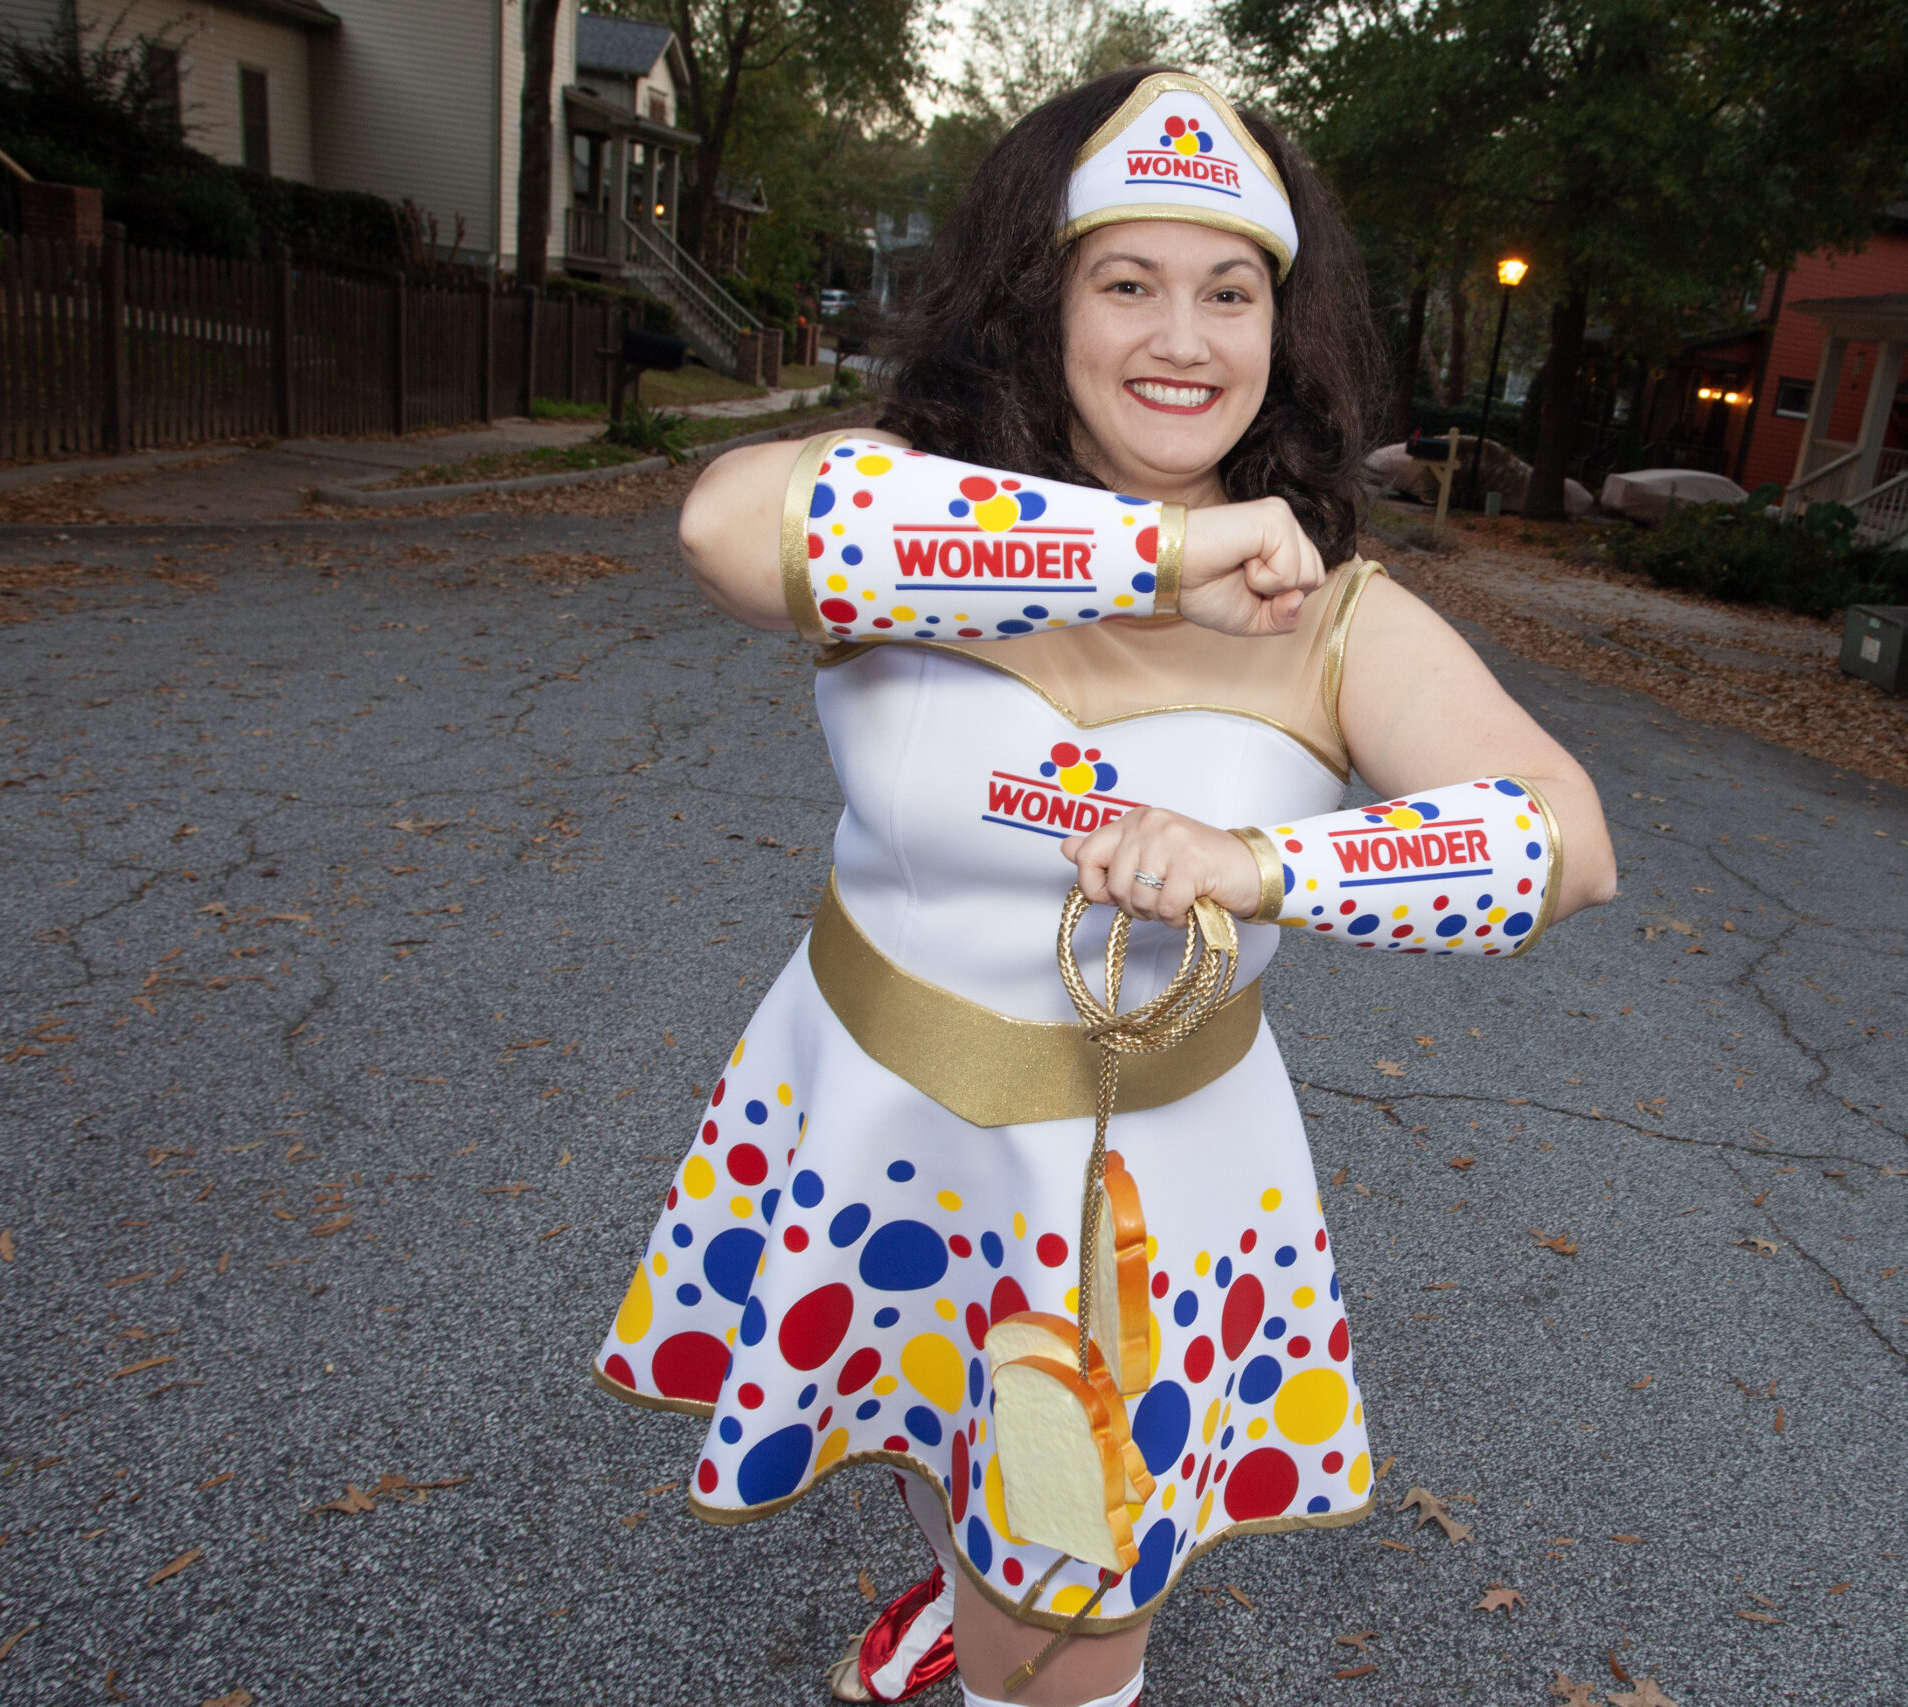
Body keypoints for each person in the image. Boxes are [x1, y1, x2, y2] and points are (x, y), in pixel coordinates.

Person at [590, 67, 1617, 1707]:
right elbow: (726, 526)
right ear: (1037, 306)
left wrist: (1261, 867)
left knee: (1066, 1643)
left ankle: (1005, 1645)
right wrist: (1149, 554)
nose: (1184, 339)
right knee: (942, 1446)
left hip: (1139, 1205)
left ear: (1283, 330)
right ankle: (962, 1585)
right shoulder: (916, 511)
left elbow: (1570, 841)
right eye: (1125, 284)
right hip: (881, 1118)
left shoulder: (1340, 613)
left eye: (1231, 294)